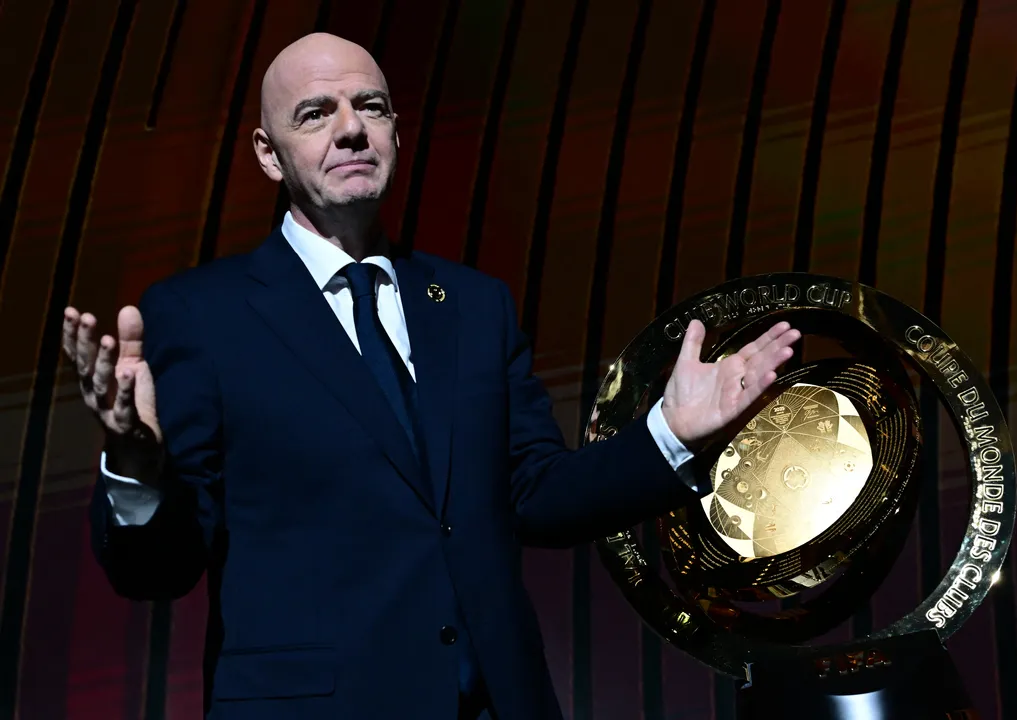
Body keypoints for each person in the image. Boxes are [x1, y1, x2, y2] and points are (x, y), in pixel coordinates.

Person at [61, 33, 799, 720]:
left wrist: (668, 434)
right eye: (315, 113)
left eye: (370, 107)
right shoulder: (201, 314)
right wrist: (135, 463)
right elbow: (158, 571)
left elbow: (535, 497)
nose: (350, 129)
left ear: (396, 132)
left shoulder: (475, 305)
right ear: (267, 153)